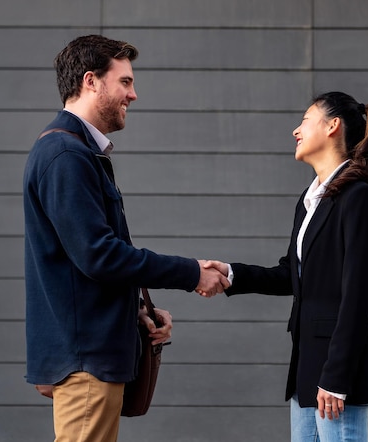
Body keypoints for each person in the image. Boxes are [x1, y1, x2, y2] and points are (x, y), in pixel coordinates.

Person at [23, 34, 229, 442]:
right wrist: (191, 272)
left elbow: (83, 261)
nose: (133, 95)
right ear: (91, 81)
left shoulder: (75, 152)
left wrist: (137, 310)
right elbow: (99, 255)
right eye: (125, 82)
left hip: (89, 355)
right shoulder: (67, 156)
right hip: (87, 362)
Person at [204, 91, 368, 442]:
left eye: (305, 120)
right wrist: (230, 273)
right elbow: (290, 274)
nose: (296, 130)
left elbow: (358, 294)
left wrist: (336, 377)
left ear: (333, 126)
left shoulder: (359, 197)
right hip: (307, 368)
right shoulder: (311, 200)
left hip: (337, 374)